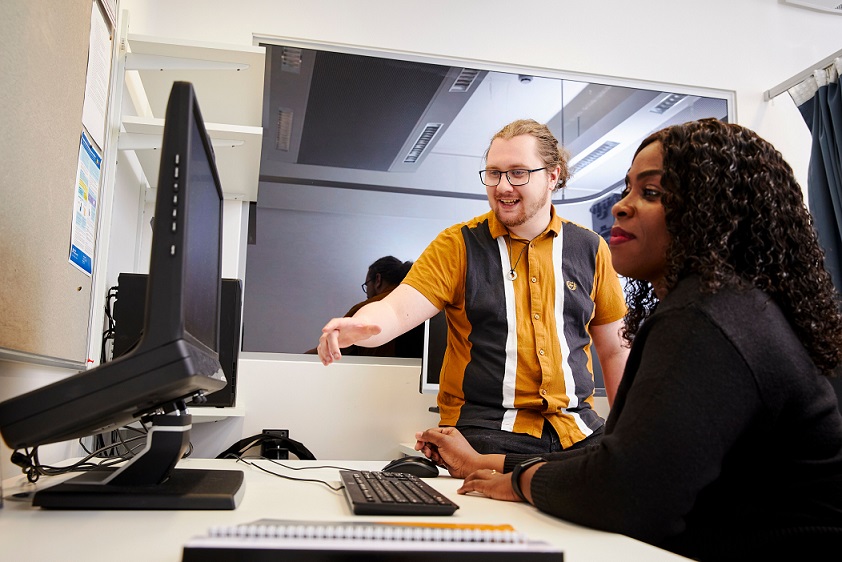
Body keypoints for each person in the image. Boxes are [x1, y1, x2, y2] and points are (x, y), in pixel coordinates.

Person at [415, 118, 842, 560]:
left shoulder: (706, 320)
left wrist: (521, 481)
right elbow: (638, 461)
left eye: (651, 193)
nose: (621, 207)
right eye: (628, 190)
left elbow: (626, 490)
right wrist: (500, 464)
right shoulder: (728, 307)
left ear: (711, 214)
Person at [318, 119, 629, 455]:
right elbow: (395, 310)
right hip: (485, 433)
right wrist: (361, 328)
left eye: (518, 173)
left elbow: (614, 349)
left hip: (579, 431)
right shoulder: (458, 245)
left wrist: (627, 431)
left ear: (553, 176)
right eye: (494, 173)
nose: (503, 186)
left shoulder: (592, 249)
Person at [306, 256, 423, 358]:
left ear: (378, 280)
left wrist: (301, 357)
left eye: (367, 285)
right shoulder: (420, 305)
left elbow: (332, 349)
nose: (367, 293)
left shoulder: (364, 308)